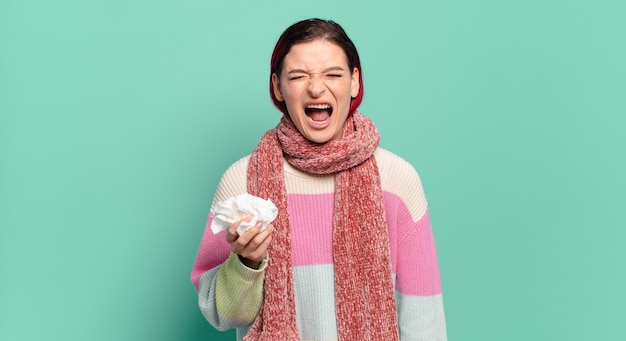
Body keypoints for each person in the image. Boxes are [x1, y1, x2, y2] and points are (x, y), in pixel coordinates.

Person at [191, 18, 447, 341]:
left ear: (354, 82)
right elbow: (220, 315)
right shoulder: (242, 183)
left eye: (333, 74)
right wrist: (247, 263)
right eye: (298, 76)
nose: (316, 87)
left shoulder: (397, 182)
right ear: (277, 86)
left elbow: (424, 320)